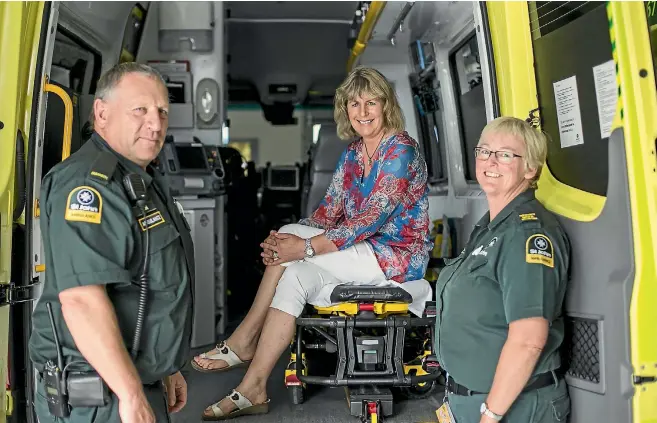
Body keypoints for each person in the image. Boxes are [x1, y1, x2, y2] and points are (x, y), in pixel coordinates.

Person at [192, 66, 433, 420]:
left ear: (386, 105)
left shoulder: (401, 150)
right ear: (345, 109)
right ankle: (253, 388)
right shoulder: (352, 155)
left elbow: (371, 220)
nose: (362, 112)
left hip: (395, 256)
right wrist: (282, 242)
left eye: (371, 102)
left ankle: (244, 339)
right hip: (357, 251)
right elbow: (326, 212)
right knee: (294, 274)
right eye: (354, 103)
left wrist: (302, 247)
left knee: (295, 251)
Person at [29, 62, 194, 423]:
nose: (155, 123)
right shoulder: (89, 185)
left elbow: (146, 285)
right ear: (101, 114)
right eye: (140, 110)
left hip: (128, 382)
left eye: (162, 111)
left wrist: (165, 367)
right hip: (100, 397)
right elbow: (82, 300)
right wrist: (132, 393)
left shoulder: (140, 181)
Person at [434, 117, 571, 423]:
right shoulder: (491, 227)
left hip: (514, 408)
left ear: (531, 168)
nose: (490, 161)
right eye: (484, 151)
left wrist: (490, 415)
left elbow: (528, 340)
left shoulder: (527, 234)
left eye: (506, 154)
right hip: (473, 401)